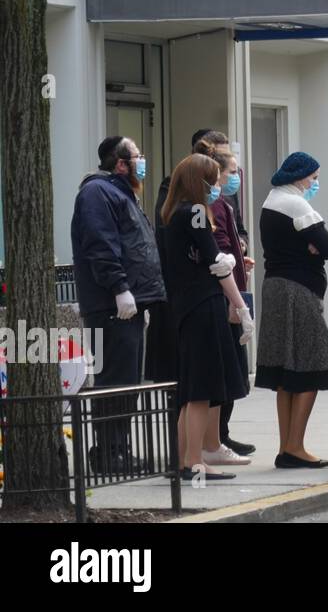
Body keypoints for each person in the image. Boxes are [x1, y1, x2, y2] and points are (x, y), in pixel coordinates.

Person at [71, 136, 167, 473]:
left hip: (128, 302)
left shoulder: (120, 192)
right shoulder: (98, 193)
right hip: (113, 305)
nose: (143, 161)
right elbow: (100, 244)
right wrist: (119, 288)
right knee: (115, 380)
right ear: (121, 163)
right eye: (137, 156)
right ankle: (109, 454)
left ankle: (117, 449)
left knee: (126, 380)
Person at [159, 153, 254, 481]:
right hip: (204, 305)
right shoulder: (196, 212)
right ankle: (195, 462)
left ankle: (187, 460)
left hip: (186, 307)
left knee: (190, 390)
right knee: (201, 390)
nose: (218, 187)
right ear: (198, 183)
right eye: (213, 181)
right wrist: (241, 307)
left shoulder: (174, 213)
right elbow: (216, 264)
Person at [255, 151, 328, 468]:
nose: (315, 183)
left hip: (276, 287)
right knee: (310, 366)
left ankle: (287, 446)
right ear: (300, 176)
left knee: (285, 372)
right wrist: (313, 248)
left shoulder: (270, 201)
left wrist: (311, 246)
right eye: (314, 178)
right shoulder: (296, 204)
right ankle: (296, 447)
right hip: (298, 291)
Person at [192, 139, 257, 459]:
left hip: (226, 292)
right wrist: (239, 303)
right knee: (218, 378)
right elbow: (216, 257)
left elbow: (230, 241)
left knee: (225, 375)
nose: (235, 178)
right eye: (232, 172)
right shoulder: (205, 207)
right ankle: (209, 445)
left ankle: (215, 441)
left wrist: (238, 252)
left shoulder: (220, 204)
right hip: (219, 297)